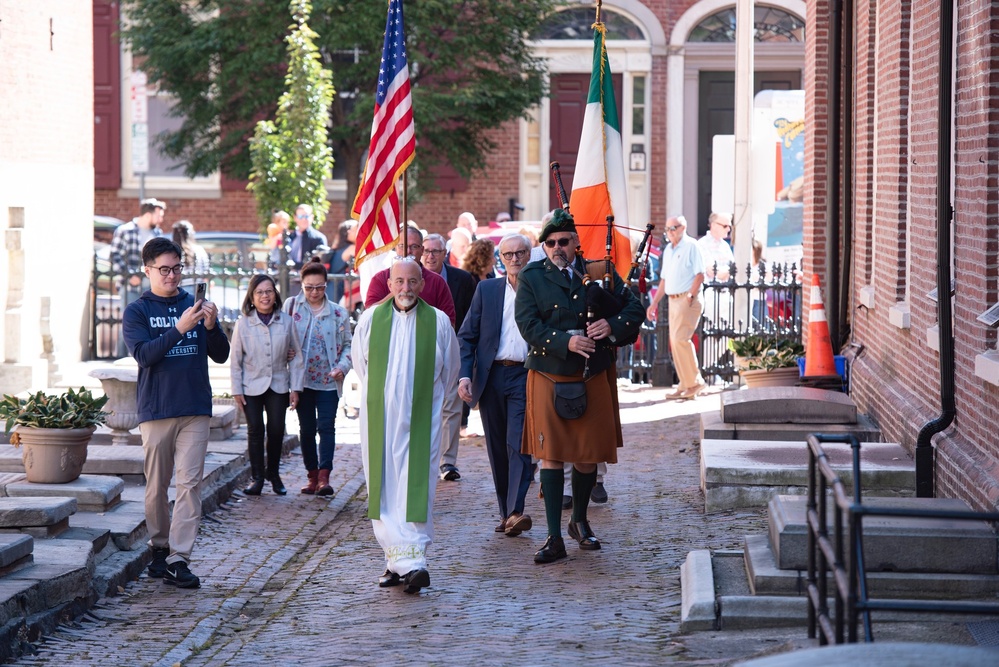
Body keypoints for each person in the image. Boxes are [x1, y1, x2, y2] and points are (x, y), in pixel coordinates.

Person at [515, 209, 644, 564]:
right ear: (544, 246)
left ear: (575, 243)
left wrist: (611, 325)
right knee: (552, 455)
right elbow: (527, 324)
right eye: (551, 242)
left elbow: (636, 310)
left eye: (564, 241)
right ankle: (554, 536)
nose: (558, 248)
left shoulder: (598, 271)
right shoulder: (531, 276)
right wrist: (565, 342)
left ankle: (580, 522)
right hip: (549, 372)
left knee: (588, 454)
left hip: (592, 373)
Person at [122, 237, 230, 589]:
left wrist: (211, 327)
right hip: (156, 409)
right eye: (164, 269)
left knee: (189, 484)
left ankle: (178, 558)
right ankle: (159, 545)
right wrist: (179, 328)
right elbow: (144, 356)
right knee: (156, 487)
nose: (172, 276)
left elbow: (221, 355)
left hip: (195, 406)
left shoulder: (194, 303)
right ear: (147, 270)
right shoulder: (137, 311)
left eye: (177, 268)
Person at [352, 258, 460, 593]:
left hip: (420, 421)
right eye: (399, 281)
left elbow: (451, 368)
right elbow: (360, 363)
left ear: (422, 285)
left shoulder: (439, 322)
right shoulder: (371, 319)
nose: (405, 289)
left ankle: (413, 562)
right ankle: (395, 562)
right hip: (380, 418)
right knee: (384, 487)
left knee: (415, 486)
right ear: (389, 284)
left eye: (412, 282)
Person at [457, 234, 535, 536]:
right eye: (508, 255)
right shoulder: (486, 290)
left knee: (519, 443)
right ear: (499, 259)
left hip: (525, 375)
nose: (514, 259)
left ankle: (517, 510)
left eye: (519, 253)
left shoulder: (538, 291)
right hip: (490, 378)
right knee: (497, 448)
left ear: (529, 255)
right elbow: (468, 336)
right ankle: (507, 512)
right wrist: (465, 375)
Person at [284, 258, 353, 496]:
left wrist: (342, 368)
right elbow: (281, 336)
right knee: (306, 428)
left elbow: (348, 346)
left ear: (326, 285)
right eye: (309, 287)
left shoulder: (338, 312)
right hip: (301, 382)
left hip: (328, 381)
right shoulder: (291, 307)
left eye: (320, 287)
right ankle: (311, 476)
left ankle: (325, 477)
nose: (314, 292)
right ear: (301, 285)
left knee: (327, 427)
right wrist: (286, 351)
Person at [230, 274, 304, 496]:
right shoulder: (243, 324)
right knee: (255, 430)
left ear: (275, 294)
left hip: (279, 384)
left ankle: (273, 473)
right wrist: (236, 390)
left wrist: (296, 388)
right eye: (260, 292)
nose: (265, 296)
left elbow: (297, 357)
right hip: (251, 385)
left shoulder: (287, 322)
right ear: (252, 297)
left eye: (269, 291)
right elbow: (235, 361)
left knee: (276, 430)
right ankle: (257, 477)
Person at [423, 233, 478, 460]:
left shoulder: (463, 280)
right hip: (424, 348)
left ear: (445, 254)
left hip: (454, 346)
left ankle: (448, 461)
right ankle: (426, 456)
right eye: (426, 251)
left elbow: (472, 315)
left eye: (436, 251)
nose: (430, 256)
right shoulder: (414, 278)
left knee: (452, 406)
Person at [646, 215, 707, 400]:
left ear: (683, 227)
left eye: (673, 228)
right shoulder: (669, 250)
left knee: (681, 339)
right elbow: (664, 279)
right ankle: (684, 384)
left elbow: (700, 274)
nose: (670, 232)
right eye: (667, 229)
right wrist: (654, 303)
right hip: (673, 300)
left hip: (687, 299)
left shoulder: (691, 246)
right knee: (676, 341)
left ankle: (695, 382)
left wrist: (689, 296)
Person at [364, 225, 456, 326]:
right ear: (395, 248)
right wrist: (398, 292)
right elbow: (368, 315)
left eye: (414, 246)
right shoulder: (380, 279)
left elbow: (449, 323)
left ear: (422, 250)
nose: (407, 251)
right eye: (402, 246)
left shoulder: (437, 282)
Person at [111, 198, 165, 356]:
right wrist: (129, 276)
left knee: (150, 323)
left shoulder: (157, 233)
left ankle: (142, 356)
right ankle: (121, 358)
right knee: (129, 322)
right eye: (159, 215)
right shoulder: (125, 230)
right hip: (130, 286)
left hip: (151, 287)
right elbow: (115, 255)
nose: (161, 219)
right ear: (148, 215)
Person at [287, 204, 328, 270]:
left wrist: (295, 266)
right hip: (287, 276)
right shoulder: (289, 236)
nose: (304, 219)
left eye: (306, 216)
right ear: (295, 218)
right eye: (300, 216)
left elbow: (318, 263)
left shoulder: (318, 238)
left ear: (312, 217)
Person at [171, 220, 210, 289]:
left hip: (179, 288)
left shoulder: (172, 252)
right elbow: (206, 271)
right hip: (198, 287)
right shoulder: (199, 250)